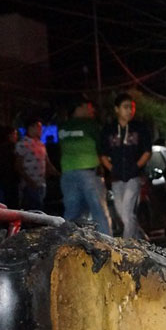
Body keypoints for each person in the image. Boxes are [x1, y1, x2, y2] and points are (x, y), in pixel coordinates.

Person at [99, 93, 151, 239]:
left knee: (127, 213)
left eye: (131, 107)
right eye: (125, 107)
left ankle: (127, 246)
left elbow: (147, 152)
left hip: (133, 177)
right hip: (116, 178)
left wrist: (136, 167)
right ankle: (140, 238)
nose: (129, 111)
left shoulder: (139, 128)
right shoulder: (109, 130)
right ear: (117, 109)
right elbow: (102, 154)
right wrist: (112, 169)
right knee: (122, 213)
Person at [58, 97, 112, 235]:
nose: (92, 109)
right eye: (89, 106)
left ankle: (67, 242)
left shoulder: (62, 127)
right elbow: (101, 148)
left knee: (72, 215)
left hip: (67, 174)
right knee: (99, 212)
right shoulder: (90, 125)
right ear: (79, 107)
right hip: (89, 174)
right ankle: (107, 244)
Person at [15, 116, 58, 211]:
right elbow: (18, 165)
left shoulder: (40, 144)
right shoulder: (23, 144)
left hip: (41, 183)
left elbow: (47, 162)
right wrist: (29, 181)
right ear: (31, 127)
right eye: (38, 127)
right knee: (32, 210)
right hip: (29, 184)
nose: (41, 130)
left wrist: (58, 174)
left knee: (39, 208)